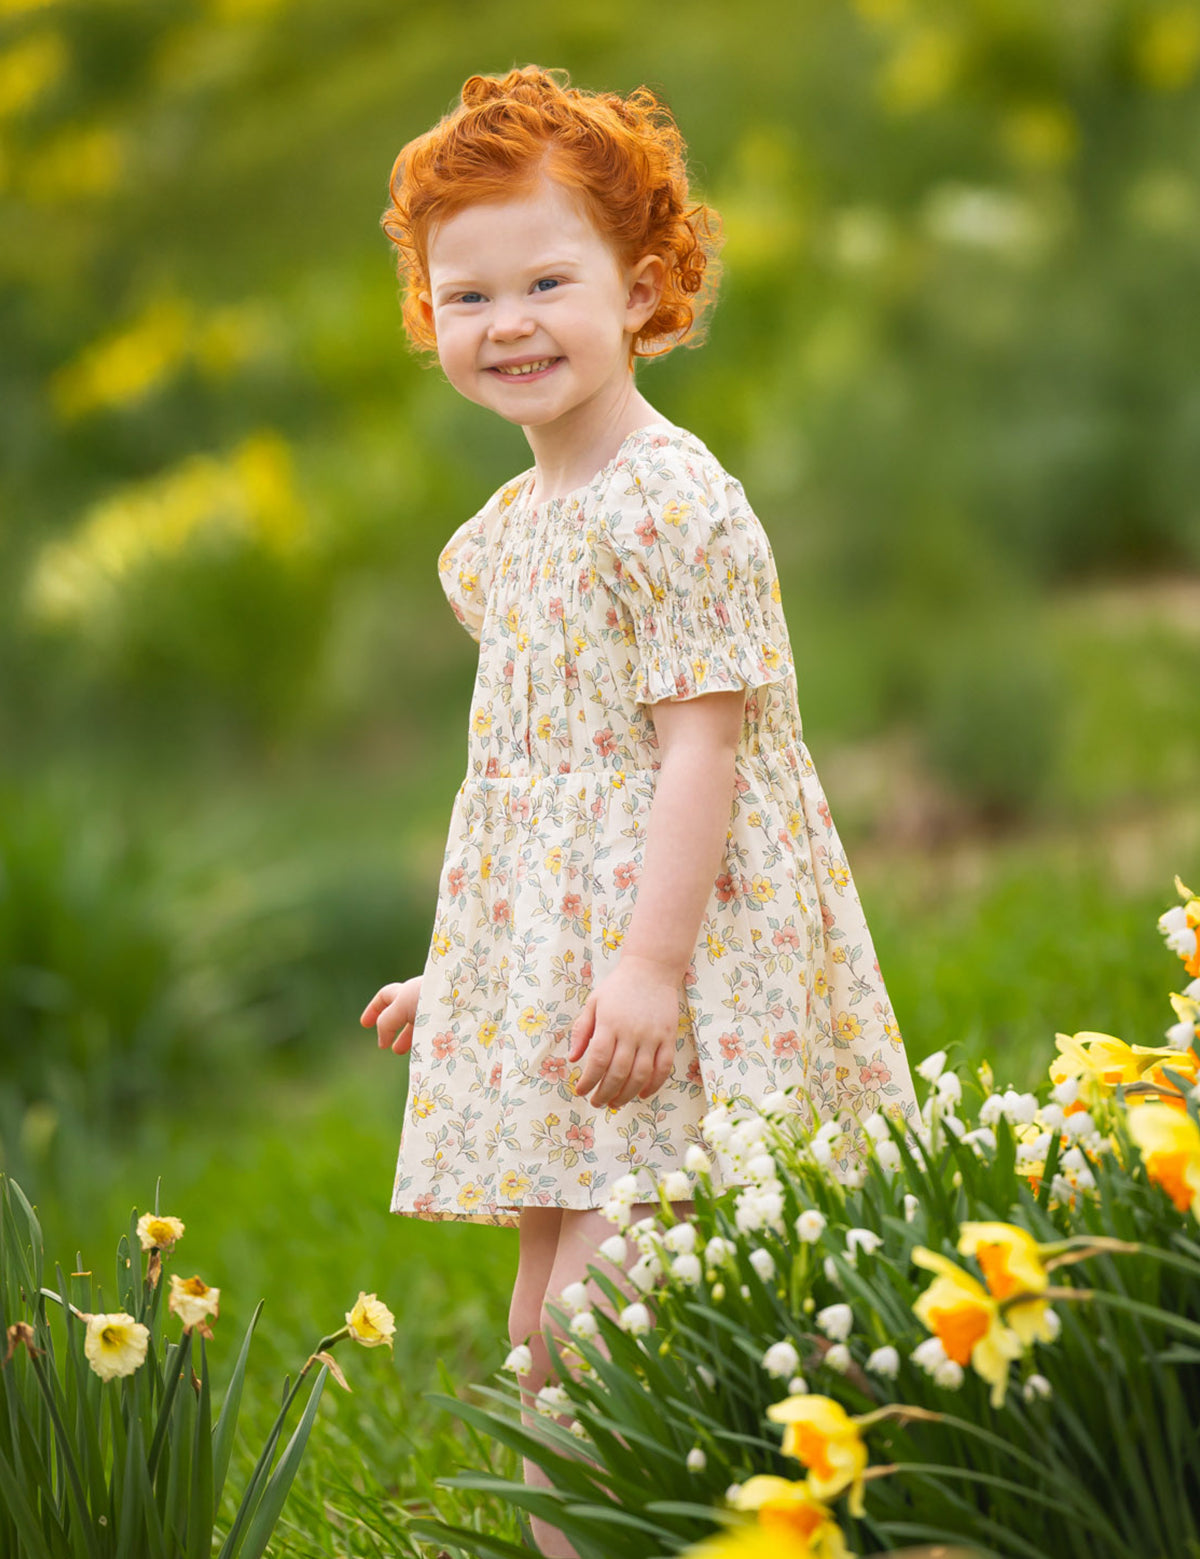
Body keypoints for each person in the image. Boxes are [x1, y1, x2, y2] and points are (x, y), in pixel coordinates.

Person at [362, 64, 917, 1555]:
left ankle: (823, 1511)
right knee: (544, 1332)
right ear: (431, 321)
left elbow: (701, 757)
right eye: (467, 295)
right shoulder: (506, 537)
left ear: (644, 288)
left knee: (618, 1321)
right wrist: (471, 976)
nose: (511, 321)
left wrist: (653, 964)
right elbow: (530, 798)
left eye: (548, 278)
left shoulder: (669, 505)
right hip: (574, 987)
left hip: (685, 966)